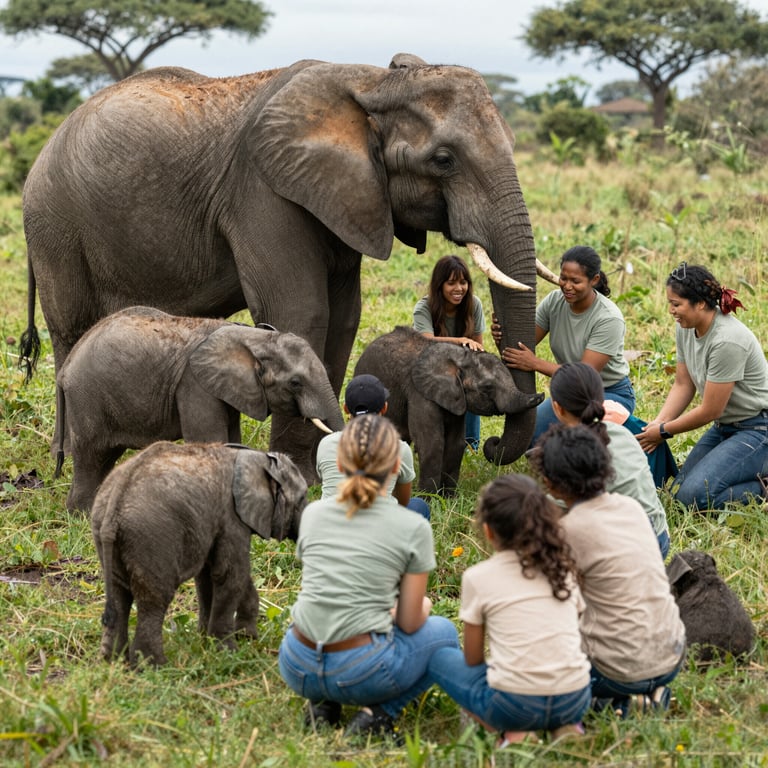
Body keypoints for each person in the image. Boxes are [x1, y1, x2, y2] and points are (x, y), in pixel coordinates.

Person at [278, 414, 459, 739]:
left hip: (296, 663)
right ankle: (377, 715)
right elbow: (409, 623)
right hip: (359, 670)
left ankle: (322, 705)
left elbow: (327, 586)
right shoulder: (413, 526)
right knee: (444, 633)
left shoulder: (313, 514)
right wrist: (425, 605)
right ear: (395, 468)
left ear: (339, 461)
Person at [529, 424, 686, 718]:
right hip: (672, 655)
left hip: (616, 670)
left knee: (536, 671)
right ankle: (645, 695)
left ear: (550, 484)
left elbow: (551, 608)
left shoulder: (567, 531)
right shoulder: (632, 509)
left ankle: (614, 700)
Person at [427, 474, 591, 747]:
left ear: (488, 530)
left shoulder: (478, 577)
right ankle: (566, 727)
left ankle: (515, 733)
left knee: (439, 658)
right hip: (575, 697)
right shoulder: (563, 569)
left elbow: (473, 659)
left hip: (514, 705)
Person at [637, 262, 768, 510]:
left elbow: (710, 410)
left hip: (758, 429)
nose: (671, 311)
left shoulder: (727, 340)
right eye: (670, 303)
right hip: (725, 427)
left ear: (699, 303)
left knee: (694, 498)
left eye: (676, 304)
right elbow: (683, 384)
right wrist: (657, 424)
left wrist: (664, 431)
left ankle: (762, 489)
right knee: (676, 492)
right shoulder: (686, 327)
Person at [492, 245, 635, 446]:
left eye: (575, 281)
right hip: (570, 393)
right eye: (563, 278)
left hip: (608, 393)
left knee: (581, 442)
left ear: (594, 280)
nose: (567, 286)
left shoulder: (609, 318)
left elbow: (584, 375)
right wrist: (503, 335)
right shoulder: (554, 302)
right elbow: (523, 343)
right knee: (532, 436)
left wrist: (534, 363)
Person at [549, 363, 671, 559]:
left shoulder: (568, 451)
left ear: (557, 407)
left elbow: (556, 511)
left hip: (629, 551)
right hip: (660, 538)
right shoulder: (623, 432)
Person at [316, 373, 430, 520]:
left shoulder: (326, 444)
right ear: (384, 408)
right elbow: (403, 502)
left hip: (329, 524)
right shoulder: (399, 448)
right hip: (380, 528)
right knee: (418, 506)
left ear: (345, 408)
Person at [413, 254, 486, 450]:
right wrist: (460, 341)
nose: (459, 289)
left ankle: (471, 444)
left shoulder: (474, 304)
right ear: (439, 285)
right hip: (430, 367)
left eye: (463, 282)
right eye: (451, 283)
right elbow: (424, 341)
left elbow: (478, 348)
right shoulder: (424, 307)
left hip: (463, 368)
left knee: (471, 384)